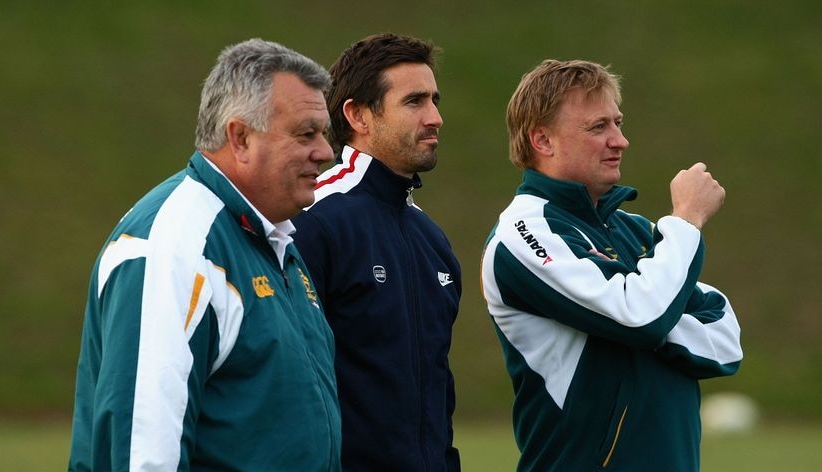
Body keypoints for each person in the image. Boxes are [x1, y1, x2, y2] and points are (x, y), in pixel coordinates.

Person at [68, 39, 341, 471]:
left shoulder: (271, 238)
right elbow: (143, 453)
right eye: (306, 133)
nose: (326, 151)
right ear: (240, 137)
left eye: (323, 133)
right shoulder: (177, 245)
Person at [480, 59, 743, 471]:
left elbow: (724, 337)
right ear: (543, 141)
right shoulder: (523, 233)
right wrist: (687, 220)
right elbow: (642, 317)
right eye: (598, 127)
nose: (620, 140)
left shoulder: (636, 229)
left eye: (618, 123)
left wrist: (644, 314)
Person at [291, 33, 461, 472]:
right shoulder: (313, 219)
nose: (435, 117)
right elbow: (288, 380)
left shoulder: (432, 240)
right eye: (415, 102)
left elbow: (438, 391)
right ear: (358, 115)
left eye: (434, 100)